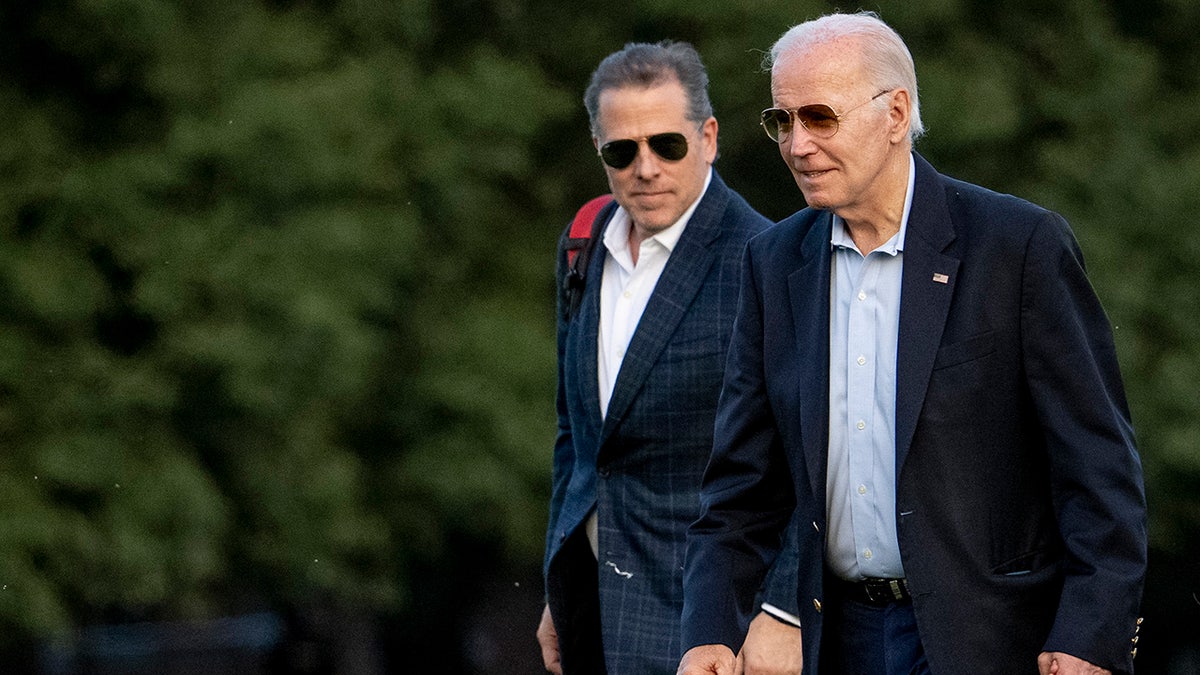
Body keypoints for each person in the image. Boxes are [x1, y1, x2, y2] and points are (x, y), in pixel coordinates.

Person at [678, 11, 1147, 675]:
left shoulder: (1018, 247)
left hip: (994, 641)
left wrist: (1089, 634)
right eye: (781, 121)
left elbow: (1098, 471)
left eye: (819, 116)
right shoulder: (773, 265)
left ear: (895, 113)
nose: (797, 144)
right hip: (839, 639)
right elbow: (739, 493)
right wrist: (707, 633)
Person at [538, 41, 801, 675]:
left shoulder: (767, 260)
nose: (645, 167)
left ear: (708, 138)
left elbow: (808, 470)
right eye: (621, 151)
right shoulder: (583, 244)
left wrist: (783, 612)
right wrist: (559, 582)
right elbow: (578, 436)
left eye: (667, 144)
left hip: (710, 622)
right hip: (591, 609)